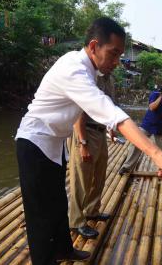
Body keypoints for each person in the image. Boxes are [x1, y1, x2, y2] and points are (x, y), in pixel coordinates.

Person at [15, 17, 162, 265]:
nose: (117, 62)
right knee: (39, 215)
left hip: (54, 145)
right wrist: (157, 155)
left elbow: (96, 111)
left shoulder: (89, 69)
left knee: (58, 203)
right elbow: (111, 112)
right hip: (35, 143)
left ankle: (64, 249)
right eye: (114, 53)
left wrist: (108, 130)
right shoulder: (74, 68)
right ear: (94, 46)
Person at [67, 75, 114, 240]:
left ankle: (92, 211)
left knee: (99, 175)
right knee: (81, 179)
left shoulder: (110, 79)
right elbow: (78, 111)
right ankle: (76, 221)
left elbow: (106, 106)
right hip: (86, 131)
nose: (115, 62)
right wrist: (83, 143)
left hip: (101, 132)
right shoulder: (89, 75)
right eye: (113, 55)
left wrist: (110, 127)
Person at [118, 74, 162, 174]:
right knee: (136, 145)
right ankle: (127, 167)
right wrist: (161, 96)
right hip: (148, 124)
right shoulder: (156, 93)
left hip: (161, 127)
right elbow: (151, 107)